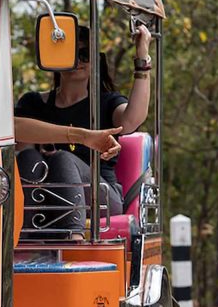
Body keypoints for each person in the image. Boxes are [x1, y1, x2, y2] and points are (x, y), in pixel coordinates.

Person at [14, 24, 152, 230]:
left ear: (96, 60)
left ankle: (74, 240)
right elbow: (14, 129)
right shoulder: (34, 103)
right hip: (45, 204)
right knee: (28, 158)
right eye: (70, 54)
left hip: (101, 197)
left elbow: (131, 121)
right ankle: (25, 240)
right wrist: (81, 136)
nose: (78, 61)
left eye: (85, 54)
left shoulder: (106, 103)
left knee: (62, 158)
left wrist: (142, 59)